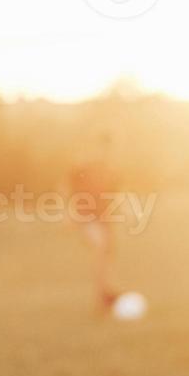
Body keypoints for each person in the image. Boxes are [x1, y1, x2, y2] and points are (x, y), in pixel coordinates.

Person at [68, 130, 123, 315]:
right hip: (86, 218)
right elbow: (64, 187)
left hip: (104, 219)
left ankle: (107, 291)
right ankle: (101, 297)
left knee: (107, 254)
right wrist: (69, 213)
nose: (106, 152)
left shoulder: (113, 171)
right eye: (103, 148)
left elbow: (113, 196)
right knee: (100, 248)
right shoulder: (84, 167)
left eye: (109, 148)